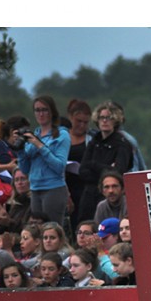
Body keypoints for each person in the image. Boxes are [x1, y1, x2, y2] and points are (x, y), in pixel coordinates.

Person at [17, 95, 71, 226]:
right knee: (36, 231)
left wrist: (40, 146)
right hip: (35, 188)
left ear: (52, 111)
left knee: (51, 230)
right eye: (37, 110)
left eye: (44, 110)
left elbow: (59, 167)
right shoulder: (33, 135)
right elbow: (25, 169)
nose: (40, 114)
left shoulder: (62, 135)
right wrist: (19, 149)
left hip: (54, 188)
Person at [77, 101, 133, 222]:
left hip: (110, 197)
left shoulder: (122, 144)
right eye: (102, 117)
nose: (104, 121)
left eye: (109, 118)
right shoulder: (94, 142)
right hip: (89, 195)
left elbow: (117, 173)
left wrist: (93, 165)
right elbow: (82, 170)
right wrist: (107, 168)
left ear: (115, 120)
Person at [64, 99, 92, 228]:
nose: (82, 125)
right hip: (66, 185)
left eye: (85, 122)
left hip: (86, 186)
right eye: (78, 121)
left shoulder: (92, 138)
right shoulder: (60, 137)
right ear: (70, 118)